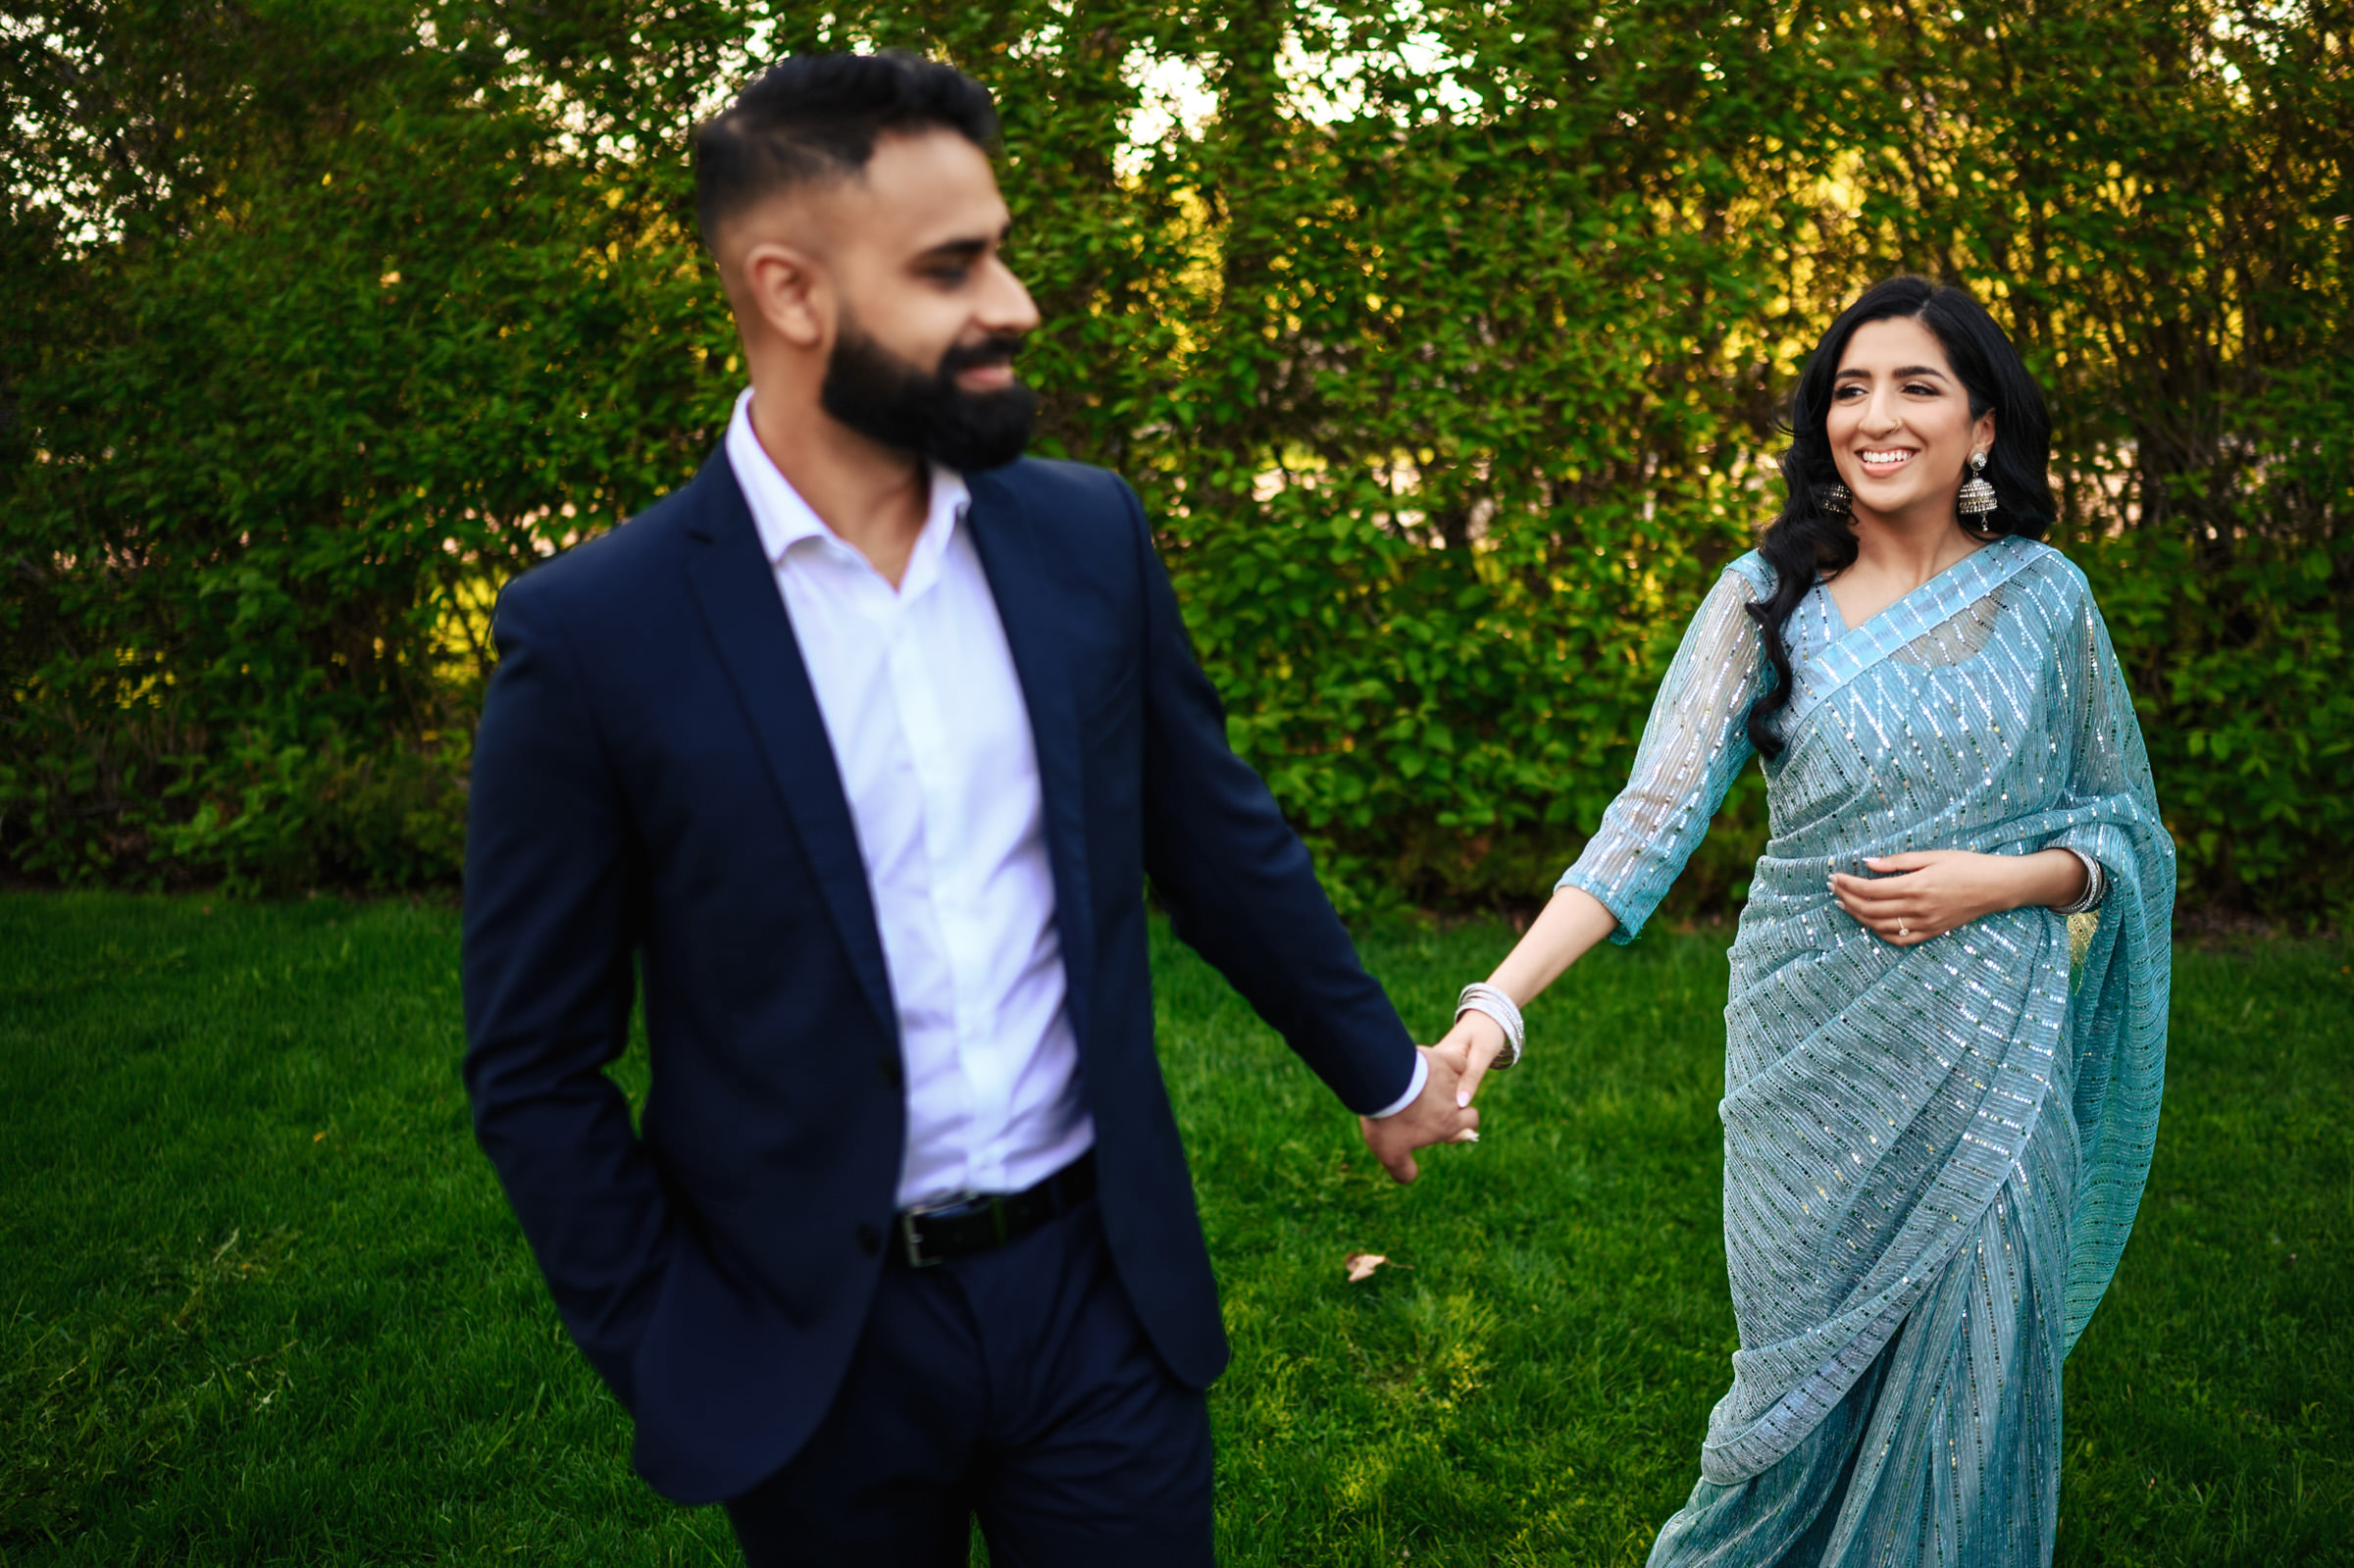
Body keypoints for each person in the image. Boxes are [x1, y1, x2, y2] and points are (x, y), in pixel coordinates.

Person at [460, 51, 1477, 1568]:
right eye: (953, 267)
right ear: (791, 291)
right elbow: (535, 1065)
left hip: (1099, 1302)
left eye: (998, 249)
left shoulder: (1084, 537)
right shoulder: (595, 636)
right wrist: (674, 1339)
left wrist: (1381, 1069)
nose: (1013, 303)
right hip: (817, 1350)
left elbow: (1211, 840)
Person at [1434, 277, 2173, 1565]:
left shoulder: (2048, 600)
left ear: (1982, 428)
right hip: (1807, 1060)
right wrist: (1493, 1008)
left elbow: (2123, 825)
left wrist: (2004, 882)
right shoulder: (1760, 597)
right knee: (1784, 1417)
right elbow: (1647, 822)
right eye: (1849, 389)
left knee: (1978, 1386)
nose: (1875, 417)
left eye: (1915, 386)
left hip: (1995, 1055)